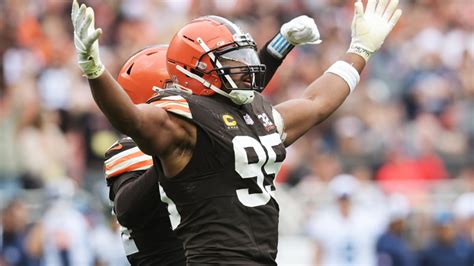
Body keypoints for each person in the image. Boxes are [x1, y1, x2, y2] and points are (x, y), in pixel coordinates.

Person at [71, 0, 402, 263]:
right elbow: (129, 207)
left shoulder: (218, 117)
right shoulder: (162, 133)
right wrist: (96, 72)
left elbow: (296, 104)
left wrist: (356, 49)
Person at [103, 18, 321, 266]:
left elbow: (234, 99)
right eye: (181, 87)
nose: (196, 96)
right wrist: (174, 161)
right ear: (153, 96)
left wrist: (280, 45)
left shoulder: (188, 127)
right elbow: (128, 210)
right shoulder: (133, 146)